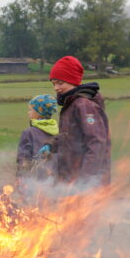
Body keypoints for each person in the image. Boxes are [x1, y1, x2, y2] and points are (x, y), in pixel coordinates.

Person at [48, 56, 111, 186]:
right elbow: (69, 135)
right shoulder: (70, 105)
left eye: (60, 83)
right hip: (71, 177)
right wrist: (52, 144)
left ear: (73, 81)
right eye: (53, 83)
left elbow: (96, 143)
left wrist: (85, 179)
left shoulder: (84, 105)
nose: (56, 88)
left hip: (88, 180)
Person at [16, 94, 58, 181]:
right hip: (53, 179)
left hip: (34, 180)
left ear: (39, 112)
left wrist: (20, 176)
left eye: (30, 110)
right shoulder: (57, 131)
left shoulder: (28, 133)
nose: (28, 113)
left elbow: (23, 157)